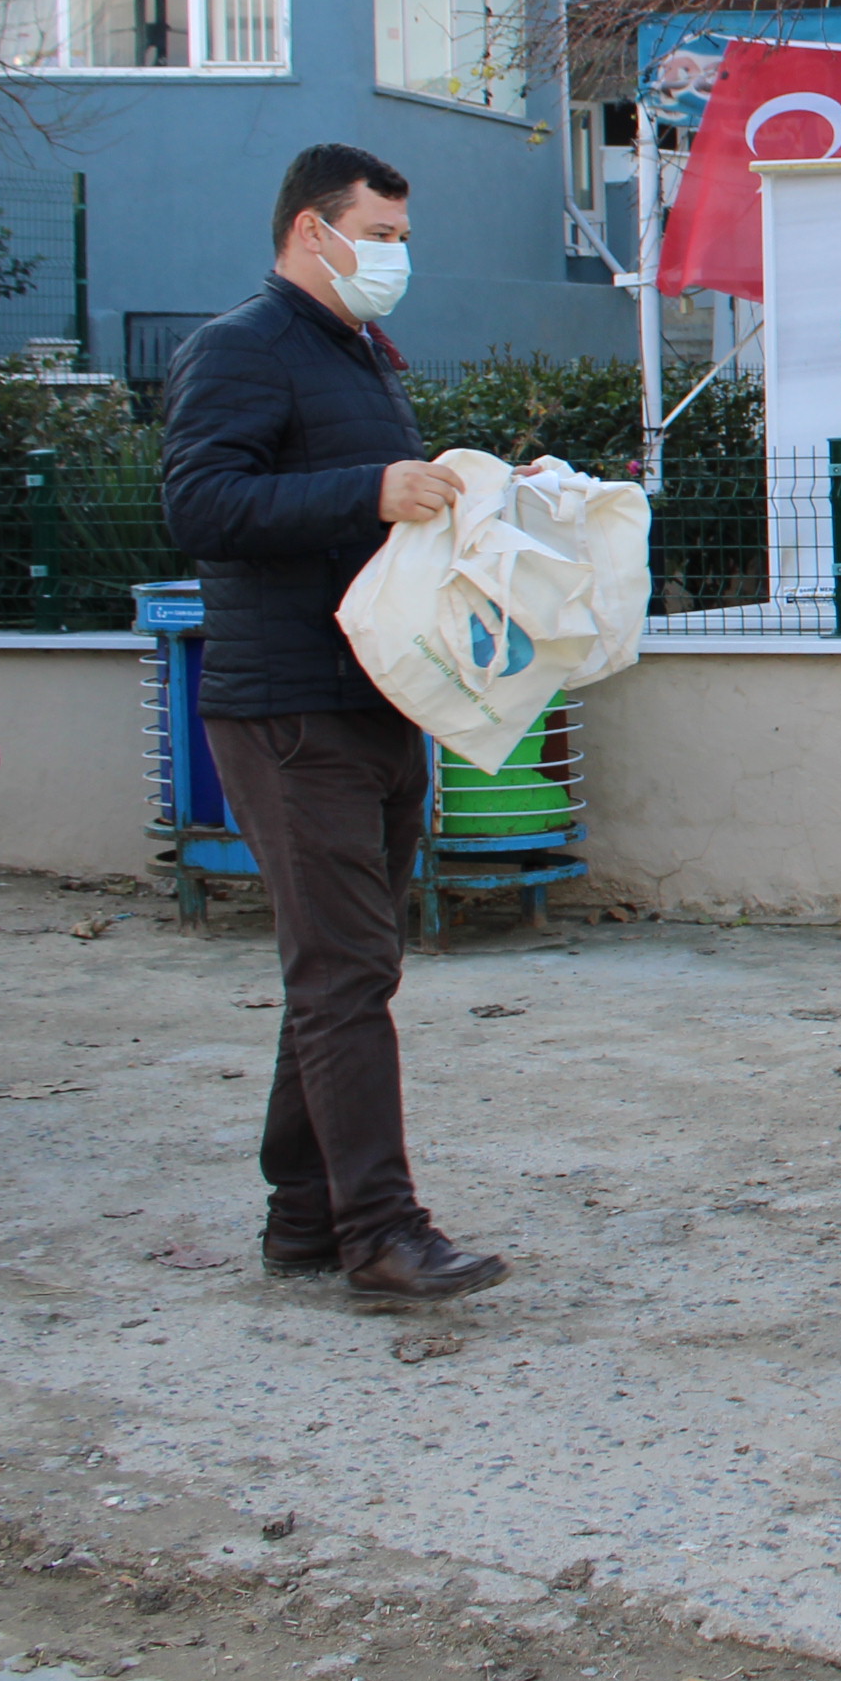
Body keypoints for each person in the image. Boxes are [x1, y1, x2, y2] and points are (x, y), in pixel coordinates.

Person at [158, 144, 508, 1304]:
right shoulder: (241, 346)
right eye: (384, 235)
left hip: (371, 696)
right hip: (287, 706)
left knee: (345, 965)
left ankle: (303, 1217)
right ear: (314, 230)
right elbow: (199, 505)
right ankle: (381, 1231)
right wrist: (368, 490)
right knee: (347, 967)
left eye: (405, 238)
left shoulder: (352, 350)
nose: (399, 258)